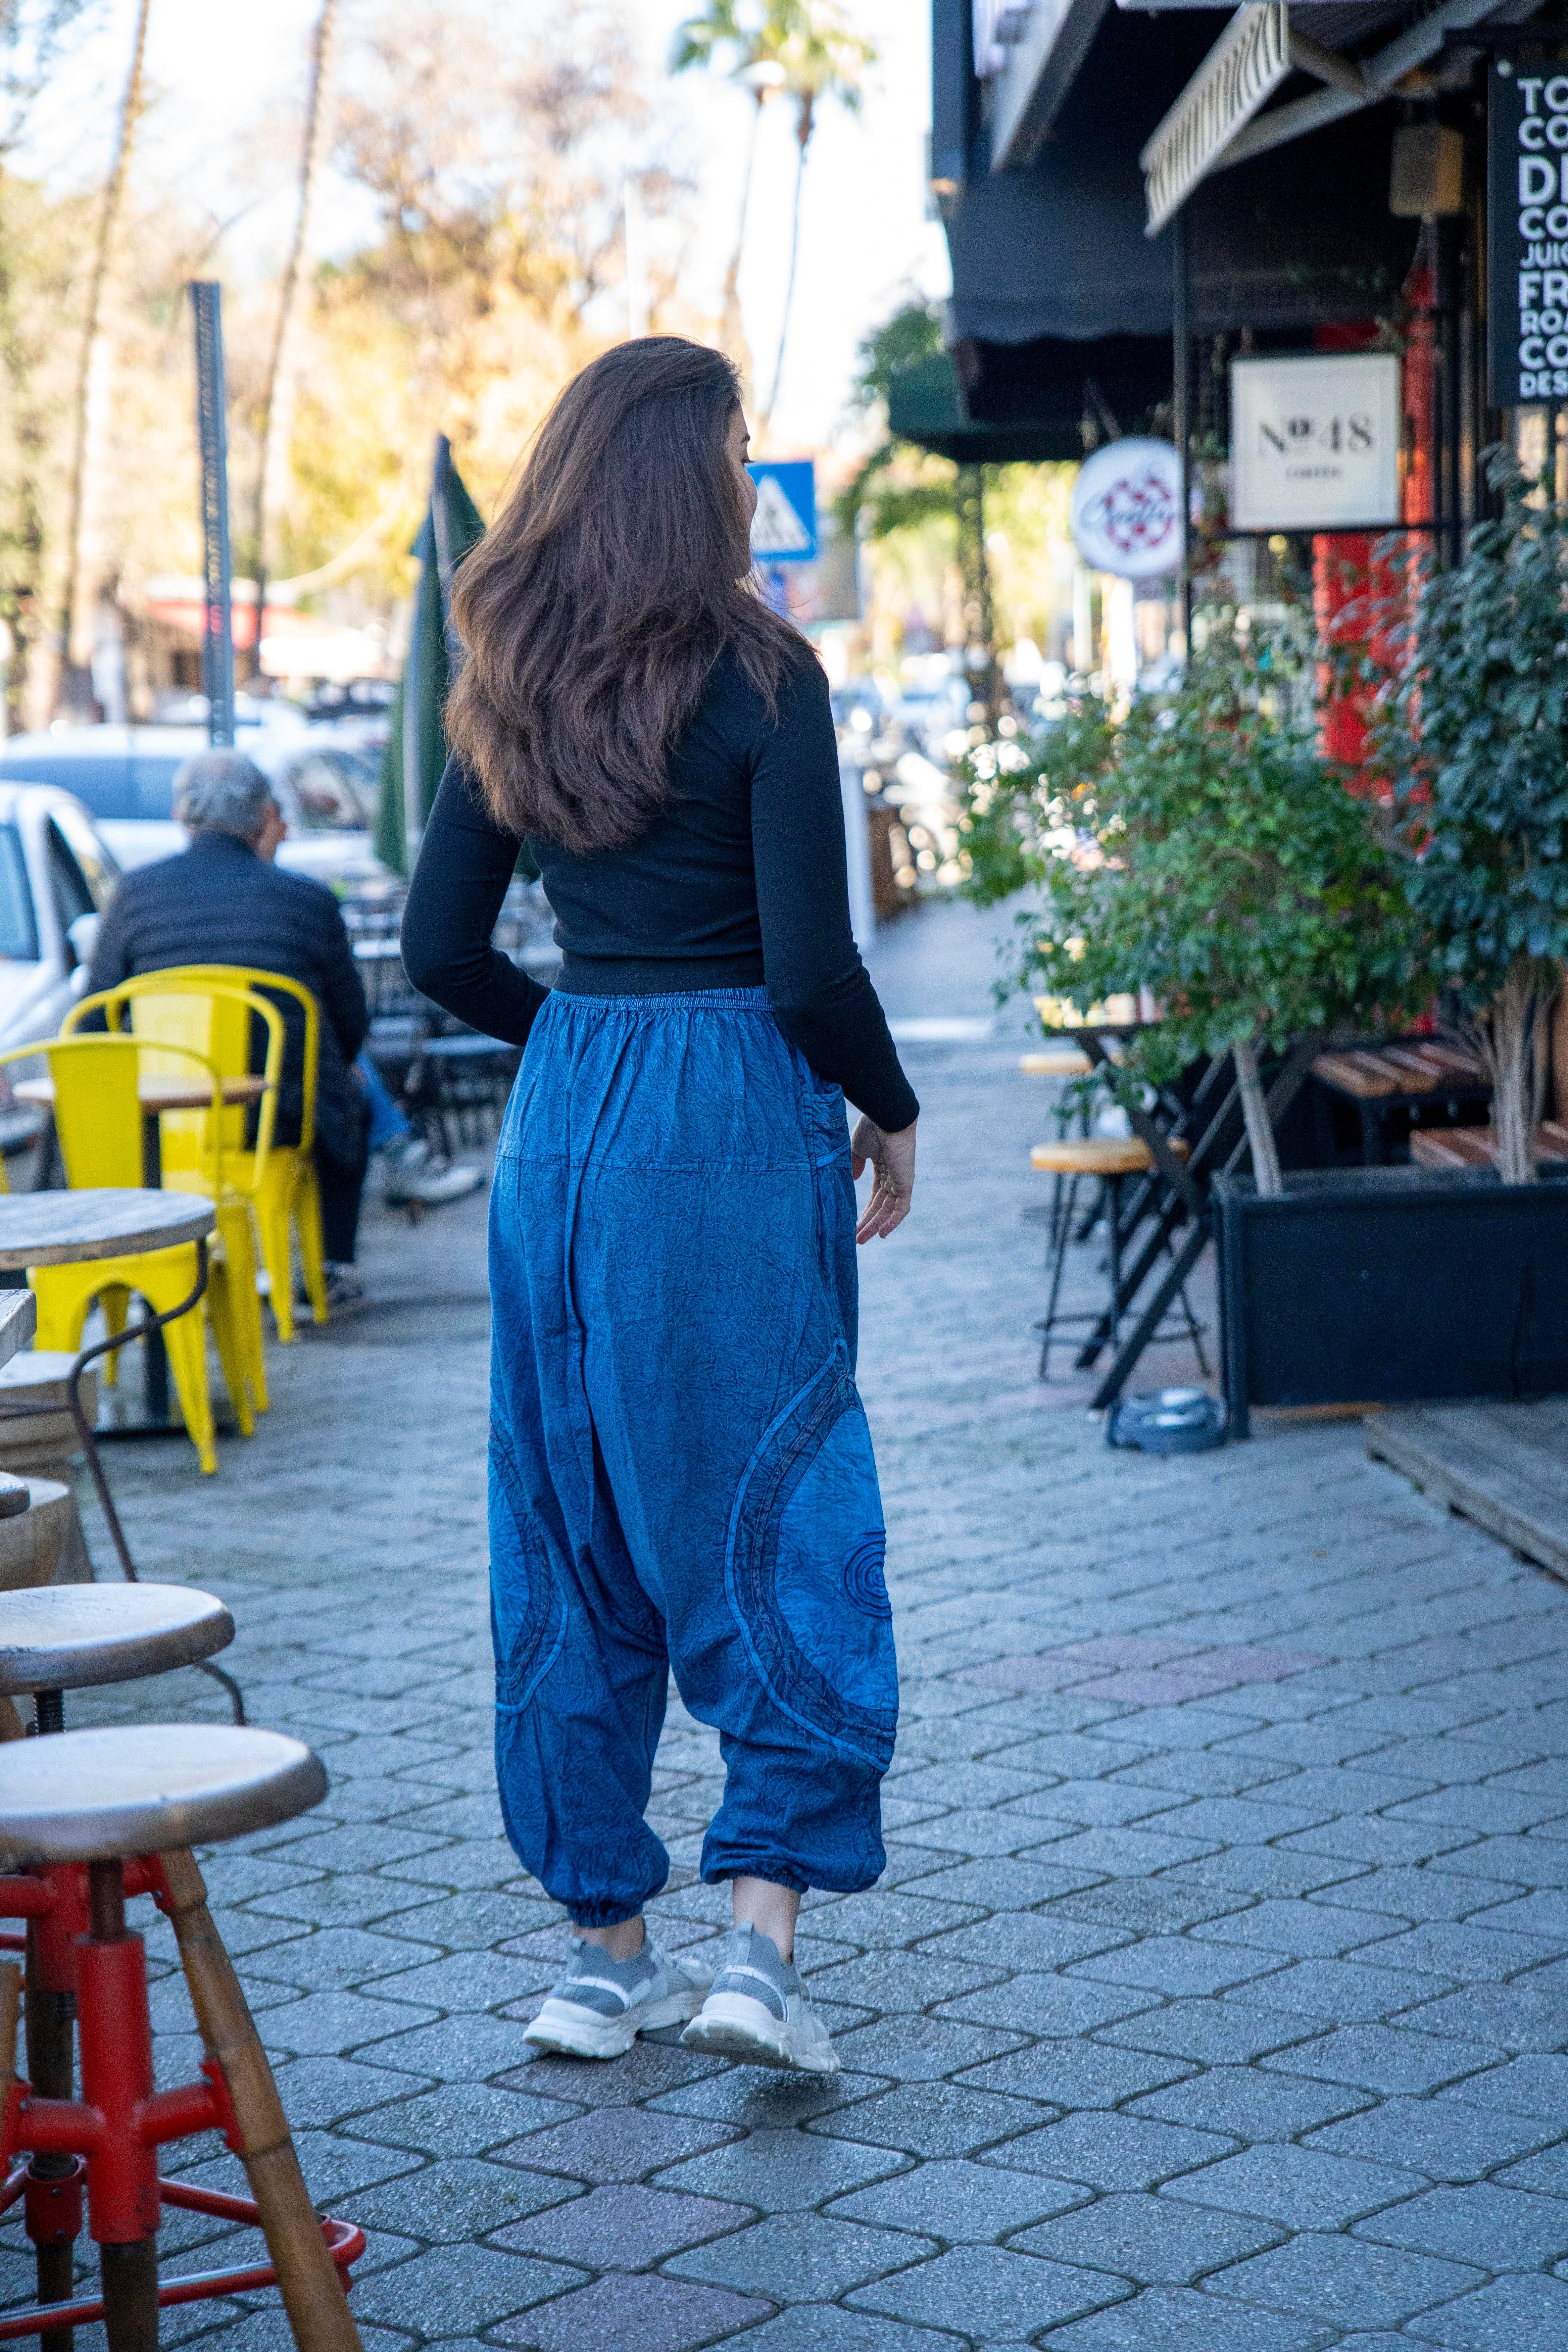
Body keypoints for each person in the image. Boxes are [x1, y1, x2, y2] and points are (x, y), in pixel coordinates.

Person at [402, 337, 918, 2074]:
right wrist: (894, 1108)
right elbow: (812, 967)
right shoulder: (766, 678)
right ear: (701, 477)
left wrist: (579, 1045)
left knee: (562, 1516)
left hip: (564, 1123)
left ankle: (597, 1950)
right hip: (728, 1121)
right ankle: (757, 1952)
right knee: (771, 1496)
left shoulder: (508, 675)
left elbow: (437, 948)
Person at [84, 750, 474, 1306]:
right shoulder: (308, 900)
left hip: (166, 1121)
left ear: (180, 813)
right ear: (262, 816)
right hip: (282, 1116)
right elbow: (351, 1024)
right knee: (354, 1098)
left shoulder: (133, 895)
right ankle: (334, 1265)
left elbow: (96, 1017)